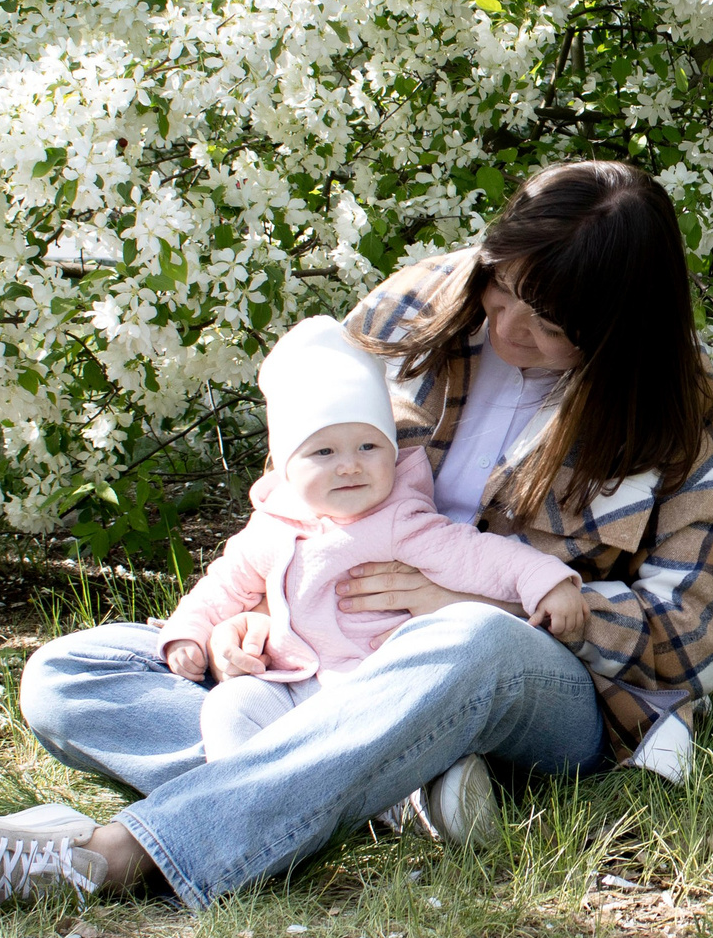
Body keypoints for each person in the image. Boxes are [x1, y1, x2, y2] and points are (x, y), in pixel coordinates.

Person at [0, 161, 713, 921]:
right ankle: (399, 793)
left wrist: (484, 601)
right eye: (503, 284)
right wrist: (254, 613)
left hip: (524, 686)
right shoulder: (413, 310)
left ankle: (116, 856)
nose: (508, 323)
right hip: (322, 660)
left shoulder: (672, 402)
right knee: (70, 674)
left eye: (549, 321)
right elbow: (293, 490)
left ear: (617, 328)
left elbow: (693, 630)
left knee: (472, 640)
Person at [155, 315, 589, 761]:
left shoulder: (399, 521)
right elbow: (223, 585)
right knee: (229, 706)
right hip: (289, 681)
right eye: (324, 452)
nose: (350, 466)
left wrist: (545, 581)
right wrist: (188, 632)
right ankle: (240, 786)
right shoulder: (271, 525)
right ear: (286, 466)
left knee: (392, 736)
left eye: (369, 447)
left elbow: (478, 556)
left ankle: (408, 798)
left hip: (374, 687)